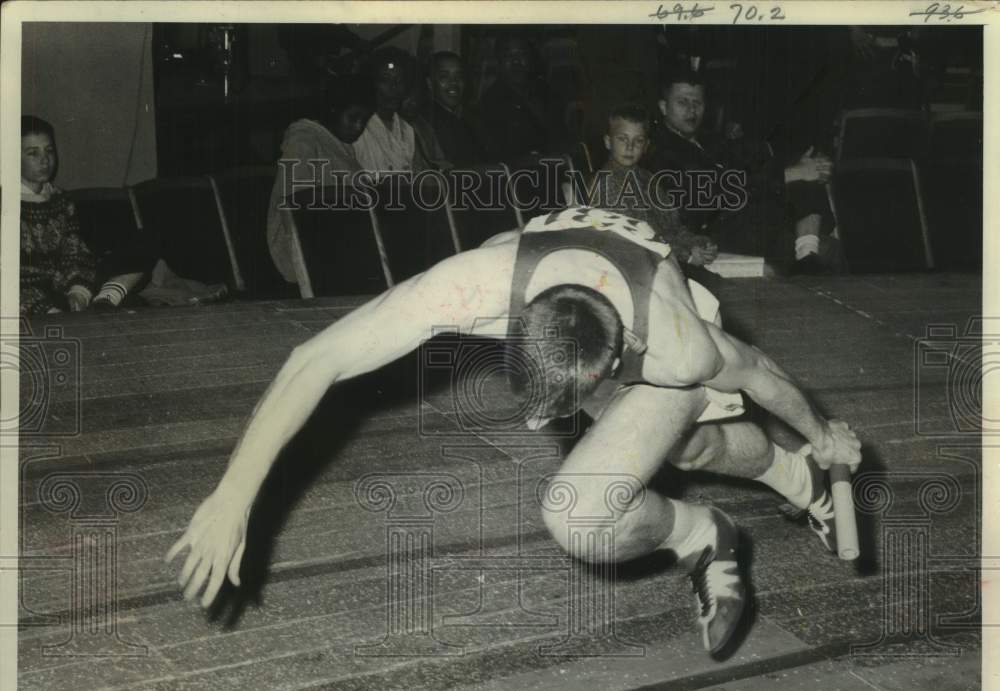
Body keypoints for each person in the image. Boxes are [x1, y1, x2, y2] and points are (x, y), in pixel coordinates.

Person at [167, 205, 862, 660]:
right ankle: (745, 511)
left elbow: (761, 373)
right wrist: (234, 496)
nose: (535, 426)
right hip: (575, 295)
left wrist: (823, 432)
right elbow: (312, 360)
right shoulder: (469, 286)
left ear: (611, 368)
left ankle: (755, 504)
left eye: (552, 409)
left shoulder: (680, 340)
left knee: (641, 476)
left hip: (649, 299)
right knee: (658, 463)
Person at [646, 68, 836, 275]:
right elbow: (716, 191)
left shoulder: (709, 140)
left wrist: (804, 165)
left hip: (750, 219)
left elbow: (753, 158)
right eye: (682, 102)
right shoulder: (659, 151)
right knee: (794, 178)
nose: (692, 110)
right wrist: (790, 174)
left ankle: (807, 258)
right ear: (663, 107)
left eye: (697, 103)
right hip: (714, 232)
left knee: (804, 173)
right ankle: (807, 257)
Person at [20, 115, 154, 315]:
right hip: (29, 293)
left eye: (49, 150)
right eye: (33, 153)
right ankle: (76, 312)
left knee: (147, 240)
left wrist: (79, 292)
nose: (44, 160)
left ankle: (104, 299)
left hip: (68, 284)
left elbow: (76, 253)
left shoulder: (61, 199)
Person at [267, 74, 375, 284]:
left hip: (336, 243)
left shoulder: (342, 146)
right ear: (333, 110)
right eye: (353, 118)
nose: (358, 128)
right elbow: (298, 206)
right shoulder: (303, 142)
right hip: (302, 250)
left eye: (364, 121)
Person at [588, 104, 718, 267]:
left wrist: (697, 243)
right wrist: (687, 256)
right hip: (633, 266)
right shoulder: (606, 183)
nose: (630, 146)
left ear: (646, 147)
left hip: (663, 259)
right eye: (622, 139)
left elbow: (673, 226)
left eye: (638, 140)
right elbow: (634, 239)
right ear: (608, 142)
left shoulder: (647, 178)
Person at [477, 33, 555, 162]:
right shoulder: (490, 104)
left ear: (531, 59)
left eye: (522, 54)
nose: (516, 61)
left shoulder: (545, 93)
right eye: (508, 55)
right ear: (499, 62)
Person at [353, 48, 428, 175]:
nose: (393, 87)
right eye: (385, 80)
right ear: (371, 83)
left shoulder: (407, 130)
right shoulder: (358, 128)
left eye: (399, 80)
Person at [422, 50, 482, 167]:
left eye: (458, 75)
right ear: (430, 83)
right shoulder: (431, 120)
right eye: (444, 76)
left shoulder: (463, 116)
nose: (454, 82)